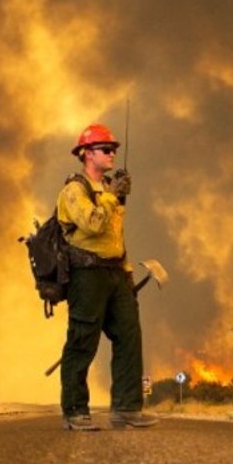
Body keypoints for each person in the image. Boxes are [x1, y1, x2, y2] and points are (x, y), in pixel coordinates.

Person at [56, 123, 158, 431]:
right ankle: (75, 411)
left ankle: (127, 408)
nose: (112, 153)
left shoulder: (109, 189)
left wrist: (126, 275)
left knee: (129, 337)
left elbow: (115, 237)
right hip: (87, 275)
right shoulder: (75, 190)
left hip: (116, 274)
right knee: (82, 340)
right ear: (87, 154)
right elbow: (93, 224)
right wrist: (113, 197)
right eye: (105, 149)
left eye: (113, 149)